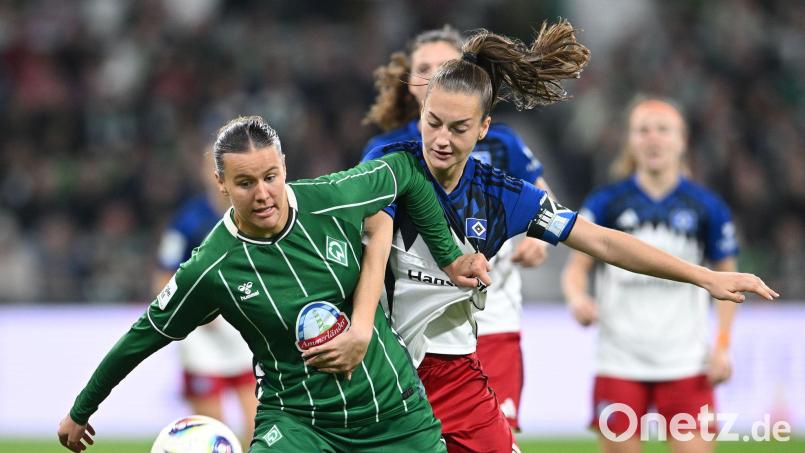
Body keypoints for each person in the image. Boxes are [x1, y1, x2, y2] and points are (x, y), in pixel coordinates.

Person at [356, 20, 776, 453]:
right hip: (386, 368)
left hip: (456, 369)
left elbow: (603, 242)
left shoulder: (503, 194)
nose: (441, 140)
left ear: (484, 128)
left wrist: (702, 276)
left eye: (458, 128)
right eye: (433, 123)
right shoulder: (388, 164)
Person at [57, 115, 492, 453]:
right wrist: (82, 409)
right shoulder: (213, 266)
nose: (262, 193)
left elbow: (407, 172)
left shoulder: (332, 198)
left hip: (393, 414)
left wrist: (449, 256)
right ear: (222, 184)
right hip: (299, 422)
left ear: (284, 167)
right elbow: (145, 333)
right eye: (245, 183)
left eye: (270, 177)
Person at [362, 25, 550, 431]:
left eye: (442, 66)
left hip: (493, 313)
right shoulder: (390, 153)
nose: (432, 74)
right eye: (423, 68)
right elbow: (372, 235)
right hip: (417, 328)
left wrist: (541, 242)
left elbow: (542, 199)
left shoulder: (502, 143)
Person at [561, 97, 741, 453]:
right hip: (619, 359)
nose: (653, 139)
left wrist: (721, 347)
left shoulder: (707, 206)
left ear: (682, 141)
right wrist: (577, 299)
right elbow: (575, 271)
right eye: (643, 131)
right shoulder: (606, 202)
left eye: (663, 130)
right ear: (631, 141)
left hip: (687, 360)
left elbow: (728, 281)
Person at [152, 146, 257, 443]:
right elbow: (162, 278)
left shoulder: (256, 212)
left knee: (259, 424)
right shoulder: (187, 221)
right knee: (212, 432)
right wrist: (195, 312)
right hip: (202, 337)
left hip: (244, 330)